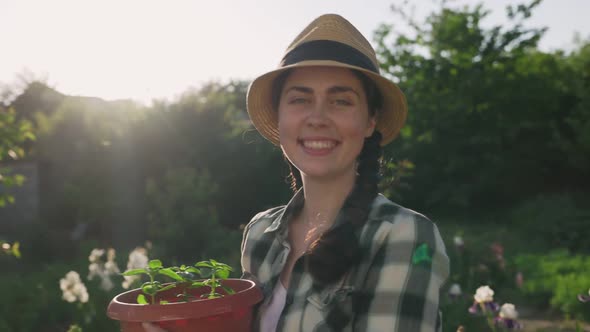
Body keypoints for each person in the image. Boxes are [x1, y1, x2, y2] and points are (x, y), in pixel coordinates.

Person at [144, 13, 449, 332]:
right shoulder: (261, 234)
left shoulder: (404, 236)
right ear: (279, 117)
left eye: (341, 101)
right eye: (300, 99)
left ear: (370, 121)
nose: (317, 117)